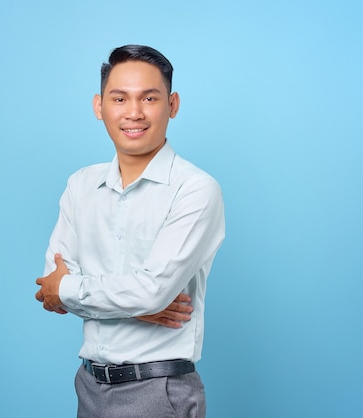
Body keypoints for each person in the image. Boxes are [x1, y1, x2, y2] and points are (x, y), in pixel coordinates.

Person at [35, 44, 225, 418]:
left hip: (158, 391)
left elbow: (150, 290)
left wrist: (86, 292)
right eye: (119, 98)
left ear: (172, 105)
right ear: (99, 105)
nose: (133, 113)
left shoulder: (195, 189)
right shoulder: (80, 185)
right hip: (89, 387)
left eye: (149, 98)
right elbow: (51, 287)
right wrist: (136, 306)